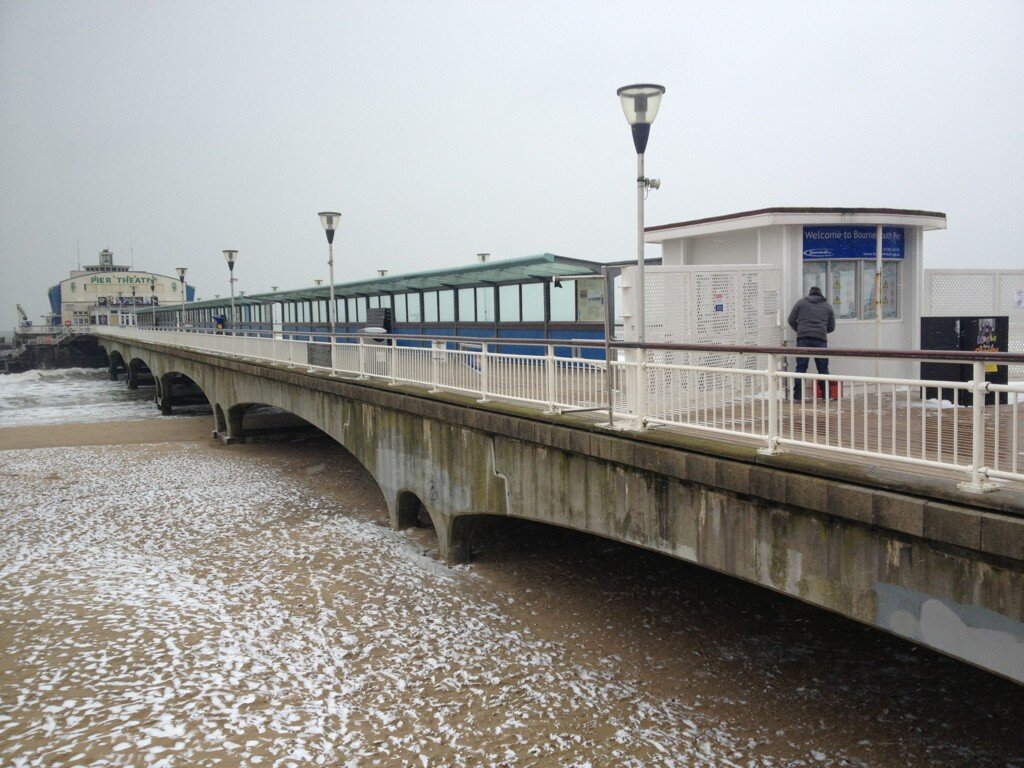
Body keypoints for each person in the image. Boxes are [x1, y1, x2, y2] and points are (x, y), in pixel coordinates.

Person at [787, 286, 836, 401]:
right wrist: (821, 331)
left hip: (803, 339)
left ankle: (798, 397)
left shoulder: (801, 303)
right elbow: (832, 327)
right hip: (820, 340)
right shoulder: (828, 306)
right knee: (823, 369)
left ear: (810, 294)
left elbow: (791, 320)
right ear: (821, 294)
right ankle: (826, 396)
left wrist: (800, 330)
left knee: (801, 368)